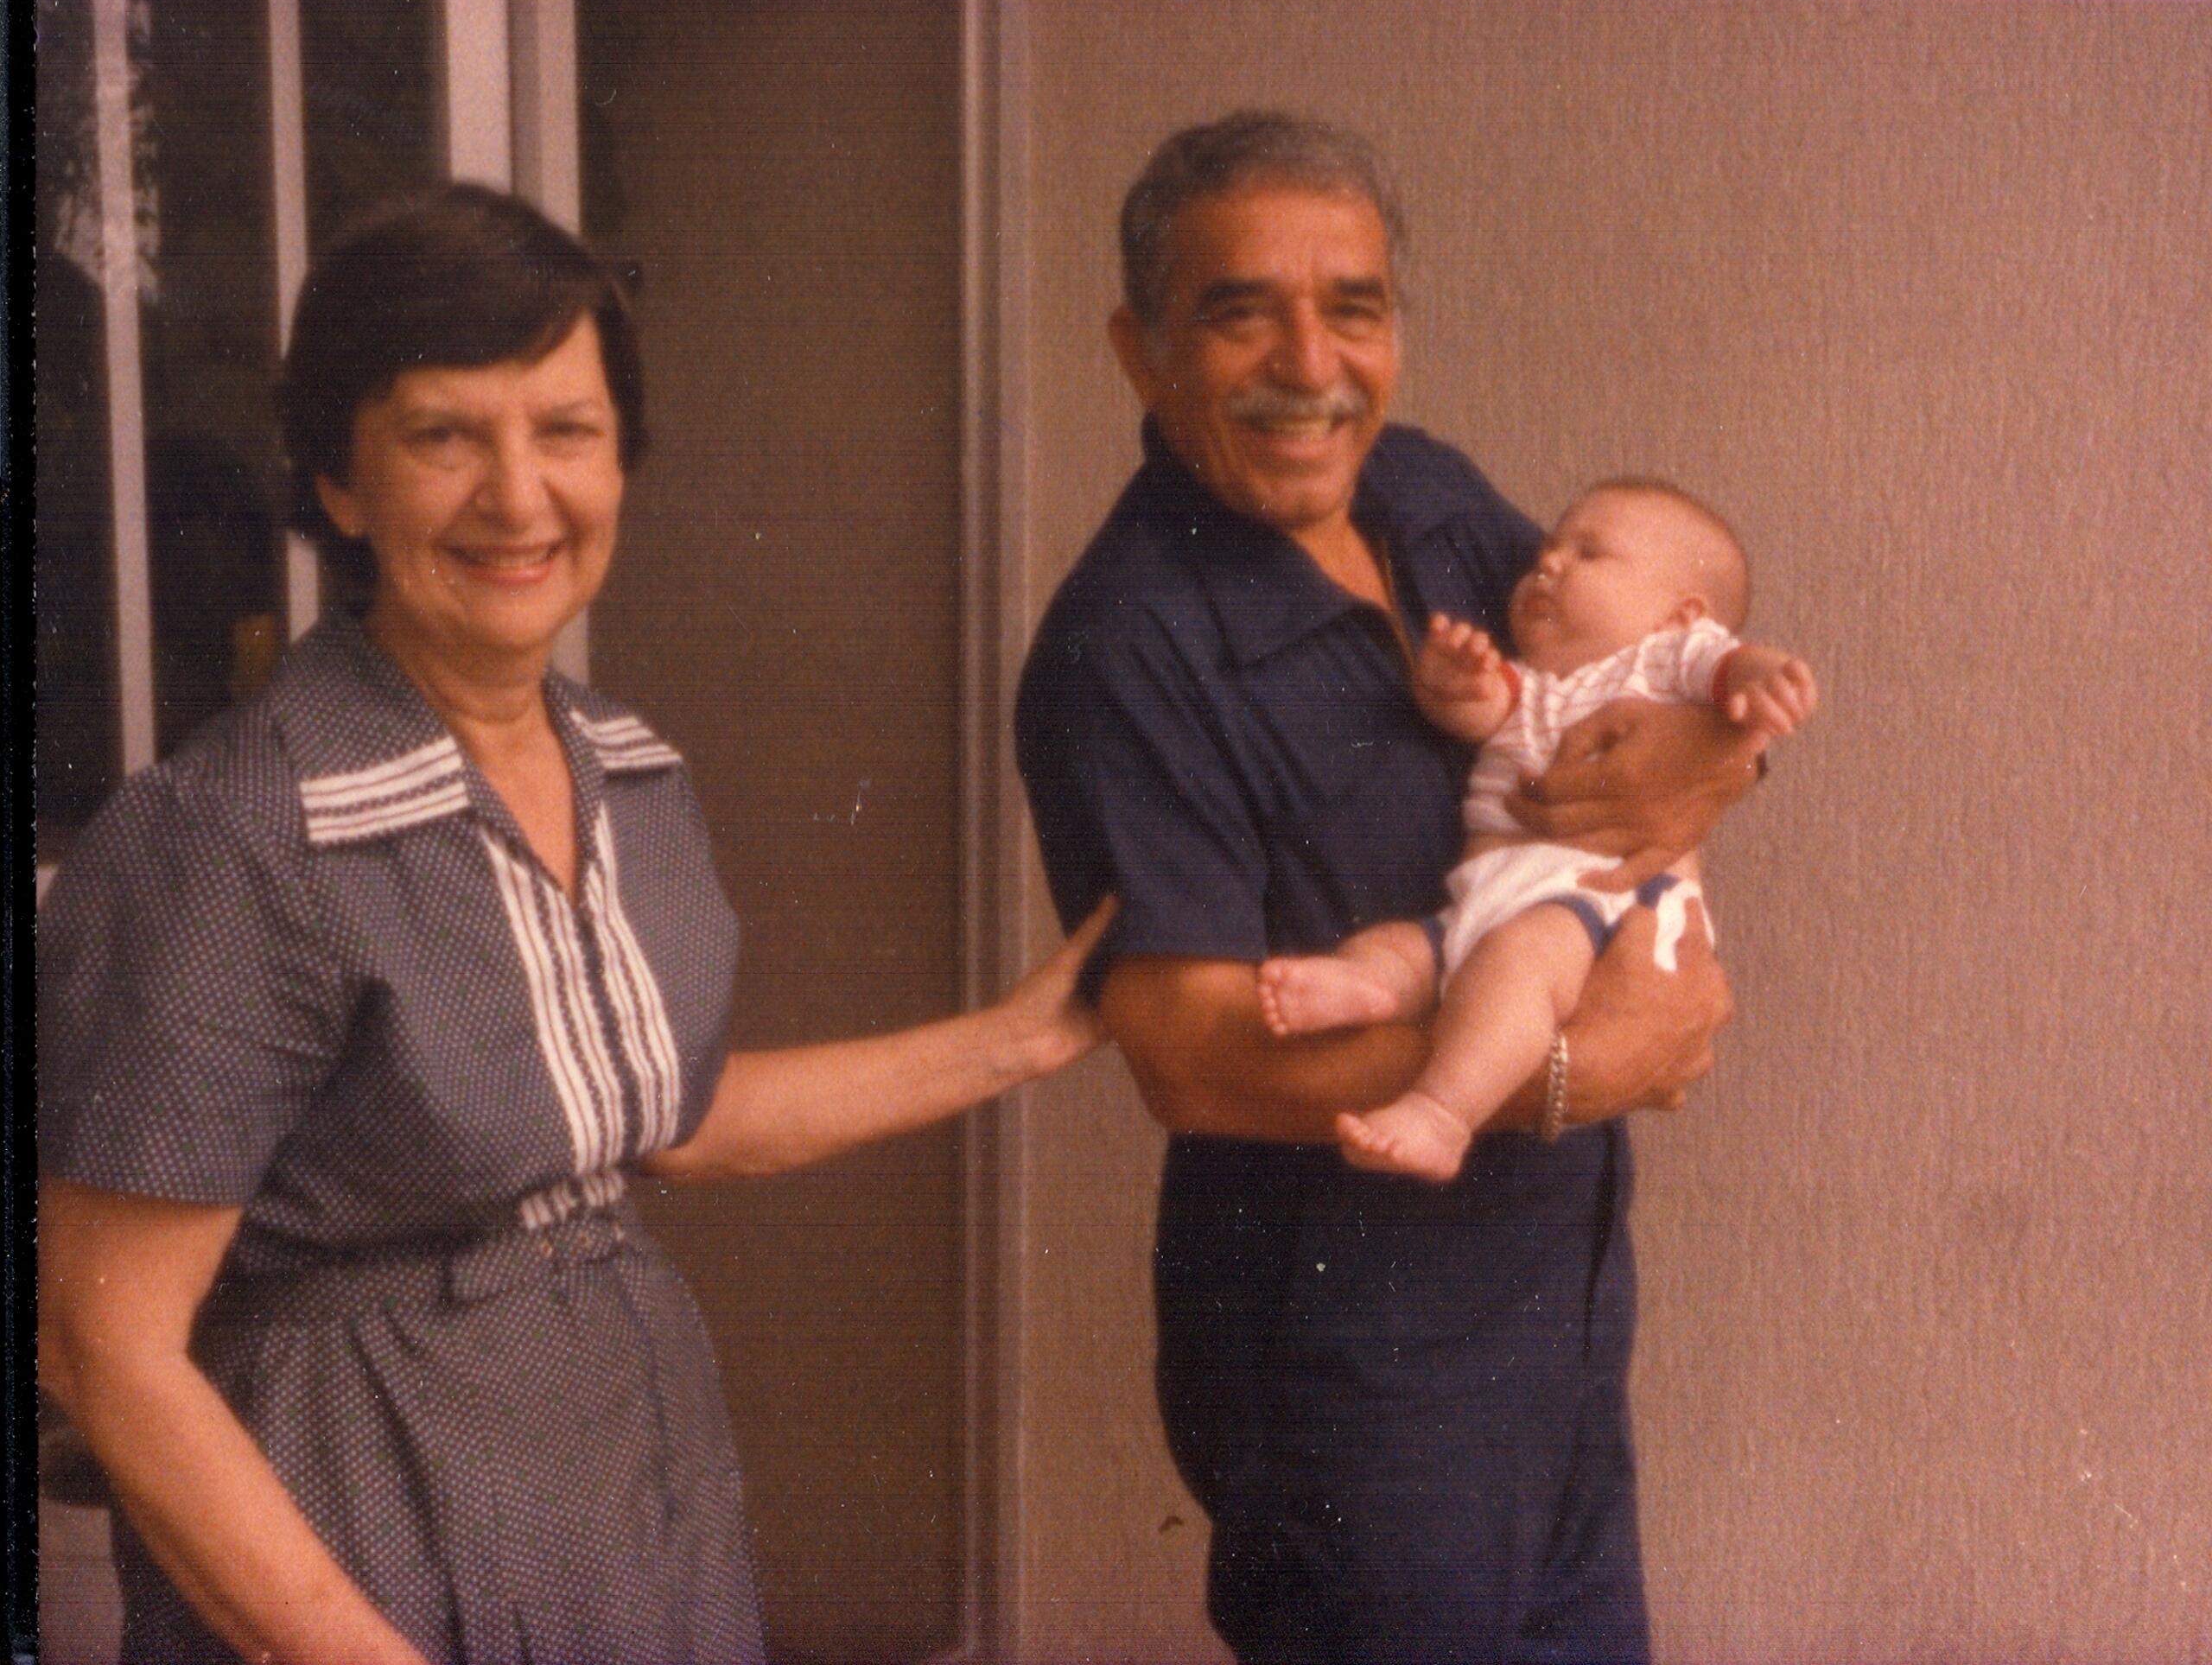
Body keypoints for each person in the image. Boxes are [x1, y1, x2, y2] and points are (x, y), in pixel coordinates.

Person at [37, 183, 1112, 1665]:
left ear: (624, 461)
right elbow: (103, 1346)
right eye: (442, 436)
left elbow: (654, 1114)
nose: (518, 497)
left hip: (622, 1460)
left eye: (565, 430)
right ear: (340, 485)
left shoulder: (626, 770)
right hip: (357, 1493)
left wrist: (1023, 1038)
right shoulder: (236, 837)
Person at [1014, 111, 1764, 1664]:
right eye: (1241, 312)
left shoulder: (1424, 494)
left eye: (1351, 305)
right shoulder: (1125, 649)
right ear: (1139, 351)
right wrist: (1572, 1069)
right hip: (1355, 1383)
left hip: (1552, 1317)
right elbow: (1192, 1054)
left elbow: (1629, 687)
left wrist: (1720, 768)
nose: (1311, 361)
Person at [1257, 480, 1818, 1183]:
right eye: (1548, 549)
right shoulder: (1535, 684)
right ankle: (1365, 986)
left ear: (1681, 616)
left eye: (1589, 552)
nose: (1548, 561)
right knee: (1403, 948)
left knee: (1513, 969)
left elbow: (1728, 664)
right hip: (1484, 899)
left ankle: (1439, 1113)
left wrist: (1763, 678)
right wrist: (1453, 682)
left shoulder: (1660, 663)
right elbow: (1479, 712)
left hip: (1592, 911)